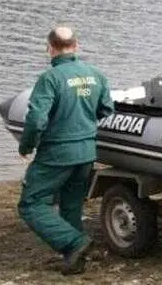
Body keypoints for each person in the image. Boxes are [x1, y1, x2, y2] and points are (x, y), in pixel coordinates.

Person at [18, 26, 114, 275]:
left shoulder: (50, 79)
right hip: (86, 152)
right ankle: (73, 257)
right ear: (76, 45)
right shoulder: (96, 75)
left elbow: (37, 119)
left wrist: (26, 145)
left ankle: (74, 242)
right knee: (71, 204)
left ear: (49, 48)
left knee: (31, 204)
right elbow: (106, 108)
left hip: (57, 153)